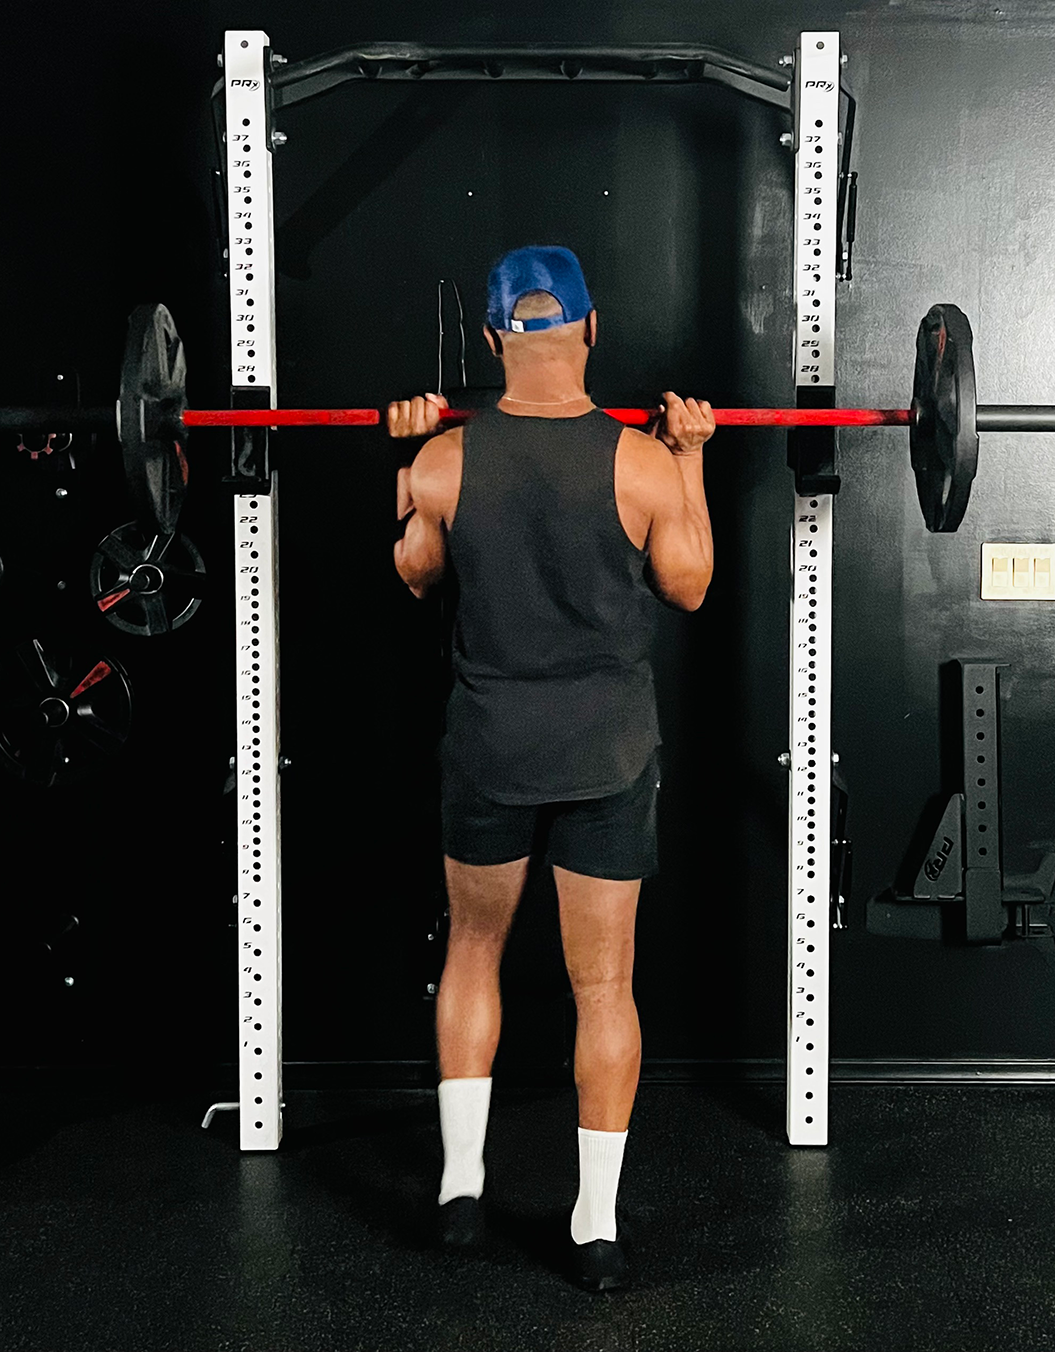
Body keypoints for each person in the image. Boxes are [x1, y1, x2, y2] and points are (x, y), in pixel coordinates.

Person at [388, 245, 714, 1291]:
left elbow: (416, 574)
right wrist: (694, 453)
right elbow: (691, 584)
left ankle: (459, 1190)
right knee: (604, 983)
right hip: (607, 753)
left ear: (492, 339)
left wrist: (403, 471)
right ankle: (595, 1227)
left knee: (472, 951)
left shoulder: (447, 458)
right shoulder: (642, 463)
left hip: (488, 747)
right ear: (590, 329)